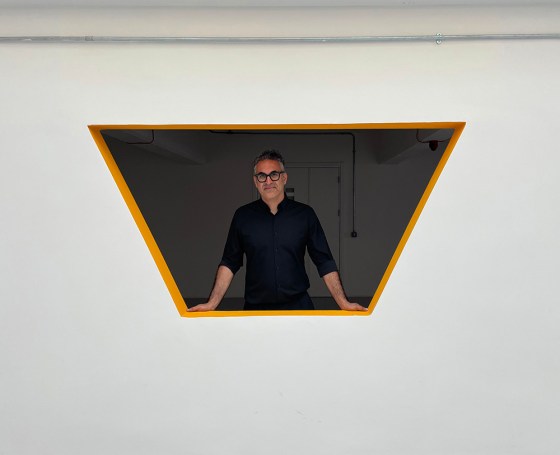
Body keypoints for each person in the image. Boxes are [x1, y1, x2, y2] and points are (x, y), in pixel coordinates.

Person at [188, 150, 367, 312]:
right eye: (262, 176)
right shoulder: (242, 216)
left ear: (284, 178)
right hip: (255, 310)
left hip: (298, 308)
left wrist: (343, 302)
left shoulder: (305, 215)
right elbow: (229, 262)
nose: (268, 181)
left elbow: (324, 261)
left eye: (274, 174)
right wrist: (212, 303)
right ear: (255, 181)